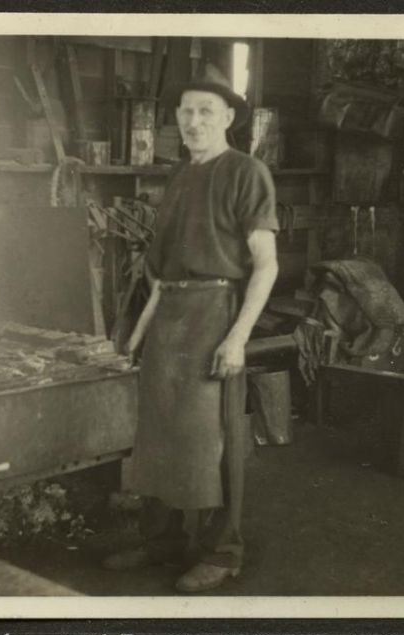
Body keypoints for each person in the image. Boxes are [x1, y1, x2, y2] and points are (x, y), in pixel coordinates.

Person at [103, 63, 279, 593]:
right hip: (170, 320)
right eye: (186, 112)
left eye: (206, 111)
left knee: (213, 440)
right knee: (158, 433)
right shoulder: (178, 177)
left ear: (228, 116)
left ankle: (222, 552)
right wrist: (136, 337)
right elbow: (161, 274)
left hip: (214, 314)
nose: (194, 121)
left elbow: (266, 264)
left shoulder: (246, 172)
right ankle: (163, 542)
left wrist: (237, 338)